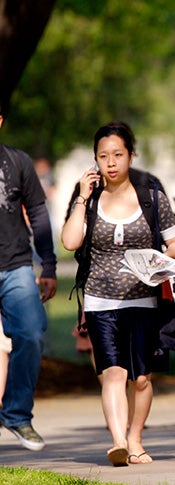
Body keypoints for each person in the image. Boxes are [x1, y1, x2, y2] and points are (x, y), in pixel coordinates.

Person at [60, 121, 175, 466]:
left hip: (144, 299)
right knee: (113, 372)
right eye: (103, 156)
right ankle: (117, 442)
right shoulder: (89, 199)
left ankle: (135, 439)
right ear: (95, 160)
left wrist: (158, 261)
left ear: (131, 155)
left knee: (141, 378)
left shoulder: (152, 199)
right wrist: (82, 197)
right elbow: (70, 241)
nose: (111, 162)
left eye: (118, 154)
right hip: (100, 301)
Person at [0, 102, 57, 452]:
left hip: (16, 265)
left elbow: (37, 212)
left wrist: (48, 264)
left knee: (32, 333)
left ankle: (16, 414)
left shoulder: (18, 161)